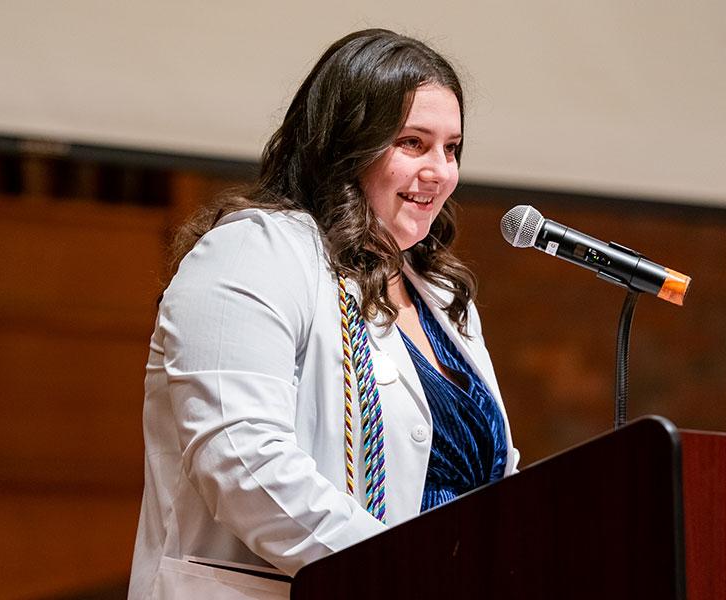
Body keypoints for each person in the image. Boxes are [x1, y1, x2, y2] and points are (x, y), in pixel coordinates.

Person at [128, 28, 520, 599]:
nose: (440, 171)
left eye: (452, 148)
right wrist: (407, 573)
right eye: (412, 142)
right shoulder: (254, 252)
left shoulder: (437, 292)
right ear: (346, 145)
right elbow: (244, 463)